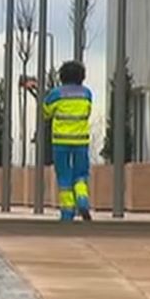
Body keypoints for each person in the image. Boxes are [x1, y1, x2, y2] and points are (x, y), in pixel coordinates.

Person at [44, 60, 94, 222]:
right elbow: (88, 111)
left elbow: (46, 112)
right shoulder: (86, 94)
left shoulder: (56, 94)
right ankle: (82, 199)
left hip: (60, 142)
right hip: (81, 141)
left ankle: (67, 212)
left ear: (62, 76)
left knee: (64, 176)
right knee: (80, 174)